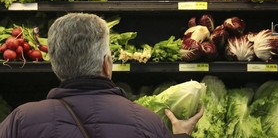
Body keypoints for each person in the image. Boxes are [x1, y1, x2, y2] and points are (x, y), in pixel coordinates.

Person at [0, 13, 204, 138]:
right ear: (107, 64)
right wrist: (181, 135)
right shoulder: (147, 122)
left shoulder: (21, 121)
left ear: (56, 66)